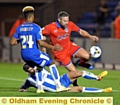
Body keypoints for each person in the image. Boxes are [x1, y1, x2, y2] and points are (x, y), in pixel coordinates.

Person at [10, 6, 68, 93]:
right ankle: (59, 86)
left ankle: (40, 88)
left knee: (39, 66)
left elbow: (12, 42)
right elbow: (41, 43)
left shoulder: (19, 28)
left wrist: (22, 39)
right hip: (34, 53)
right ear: (32, 16)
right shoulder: (36, 27)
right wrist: (53, 47)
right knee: (51, 63)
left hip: (24, 55)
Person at [42, 11, 99, 86]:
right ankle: (75, 85)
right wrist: (43, 46)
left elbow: (81, 31)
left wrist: (90, 36)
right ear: (59, 20)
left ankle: (81, 63)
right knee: (74, 72)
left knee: (87, 56)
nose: (66, 23)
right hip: (60, 53)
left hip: (70, 46)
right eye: (64, 21)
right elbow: (39, 34)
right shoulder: (50, 27)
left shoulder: (70, 24)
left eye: (67, 20)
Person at [19, 64, 112, 93]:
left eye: (32, 67)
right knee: (79, 89)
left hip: (60, 80)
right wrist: (22, 89)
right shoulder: (30, 80)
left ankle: (97, 77)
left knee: (78, 73)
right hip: (59, 89)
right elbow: (23, 87)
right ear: (28, 71)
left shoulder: (40, 68)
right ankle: (103, 91)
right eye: (30, 69)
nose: (32, 69)